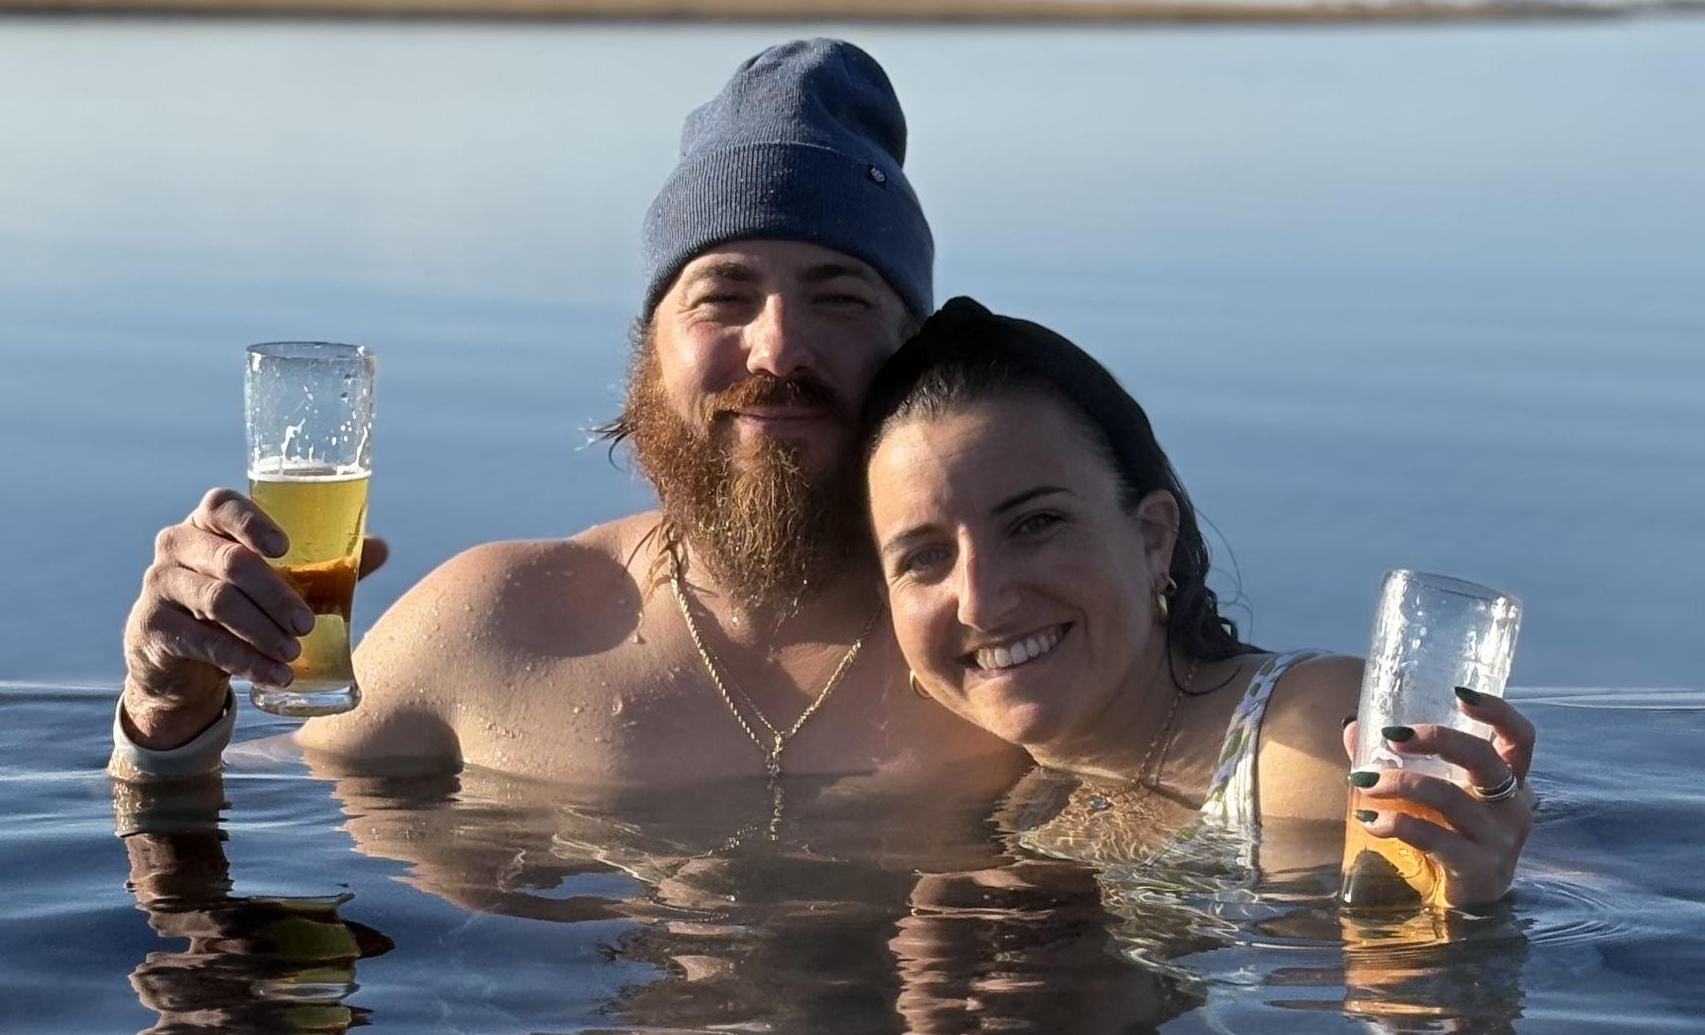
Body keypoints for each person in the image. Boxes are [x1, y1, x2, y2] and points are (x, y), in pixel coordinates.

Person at [111, 40, 1022, 795]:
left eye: (842, 298)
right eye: (723, 296)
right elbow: (244, 808)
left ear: (918, 349)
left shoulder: (1011, 647)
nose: (778, 348)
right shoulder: (492, 630)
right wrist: (167, 705)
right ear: (649, 347)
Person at [860, 297, 1536, 908]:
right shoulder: (965, 771)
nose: (981, 598)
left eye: (1034, 524)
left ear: (1153, 538)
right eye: (924, 557)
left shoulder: (1306, 744)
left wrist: (1462, 911)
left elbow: (1401, 1006)